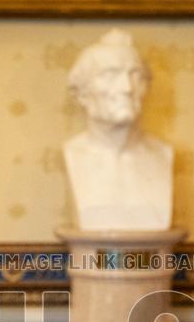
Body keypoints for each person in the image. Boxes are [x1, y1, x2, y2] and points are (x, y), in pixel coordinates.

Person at [64, 28, 174, 231]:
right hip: (92, 261)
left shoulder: (162, 154)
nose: (127, 87)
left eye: (135, 75)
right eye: (109, 75)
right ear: (81, 94)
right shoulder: (73, 154)